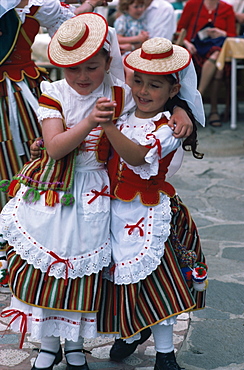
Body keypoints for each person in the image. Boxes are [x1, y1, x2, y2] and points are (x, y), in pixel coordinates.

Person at [0, 12, 136, 370]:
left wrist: (182, 109)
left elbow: (159, 101)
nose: (82, 77)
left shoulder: (121, 94)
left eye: (92, 67)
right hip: (55, 190)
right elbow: (56, 146)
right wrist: (91, 121)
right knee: (51, 265)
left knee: (82, 267)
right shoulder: (55, 93)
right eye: (73, 69)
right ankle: (48, 344)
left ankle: (74, 344)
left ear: (109, 61)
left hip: (95, 189)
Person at [95, 37, 208, 370]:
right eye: (138, 81)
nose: (143, 91)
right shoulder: (130, 108)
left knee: (156, 279)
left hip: (147, 214)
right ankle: (131, 332)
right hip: (115, 210)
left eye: (154, 85)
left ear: (173, 90)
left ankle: (164, 353)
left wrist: (108, 127)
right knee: (120, 277)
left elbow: (137, 156)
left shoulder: (169, 128)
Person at [0, 0, 112, 292]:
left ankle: (16, 247)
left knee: (26, 155)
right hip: (19, 90)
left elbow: (72, 32)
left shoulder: (38, 4)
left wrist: (88, 5)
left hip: (23, 92)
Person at [177, 0, 237, 127]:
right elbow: (180, 30)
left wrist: (222, 33)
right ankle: (213, 110)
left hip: (217, 50)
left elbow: (233, 36)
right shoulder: (192, 5)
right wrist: (187, 43)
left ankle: (198, 97)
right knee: (217, 66)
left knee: (217, 58)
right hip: (195, 48)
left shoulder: (227, 9)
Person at [114, 0, 149, 85]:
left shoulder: (141, 21)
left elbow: (143, 42)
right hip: (124, 54)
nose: (140, 10)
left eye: (141, 6)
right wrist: (137, 38)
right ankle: (127, 95)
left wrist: (143, 39)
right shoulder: (122, 20)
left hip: (137, 51)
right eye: (136, 7)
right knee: (131, 72)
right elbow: (117, 39)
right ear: (126, 8)